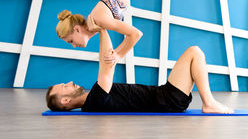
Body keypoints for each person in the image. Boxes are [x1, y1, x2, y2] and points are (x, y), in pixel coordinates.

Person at [46, 28, 234, 114]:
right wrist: (102, 29)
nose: (69, 82)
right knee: (195, 52)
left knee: (195, 53)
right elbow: (107, 66)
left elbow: (106, 64)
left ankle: (209, 102)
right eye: (64, 86)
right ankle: (209, 103)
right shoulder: (94, 102)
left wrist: (101, 28)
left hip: (164, 95)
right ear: (65, 100)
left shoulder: (93, 99)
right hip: (167, 99)